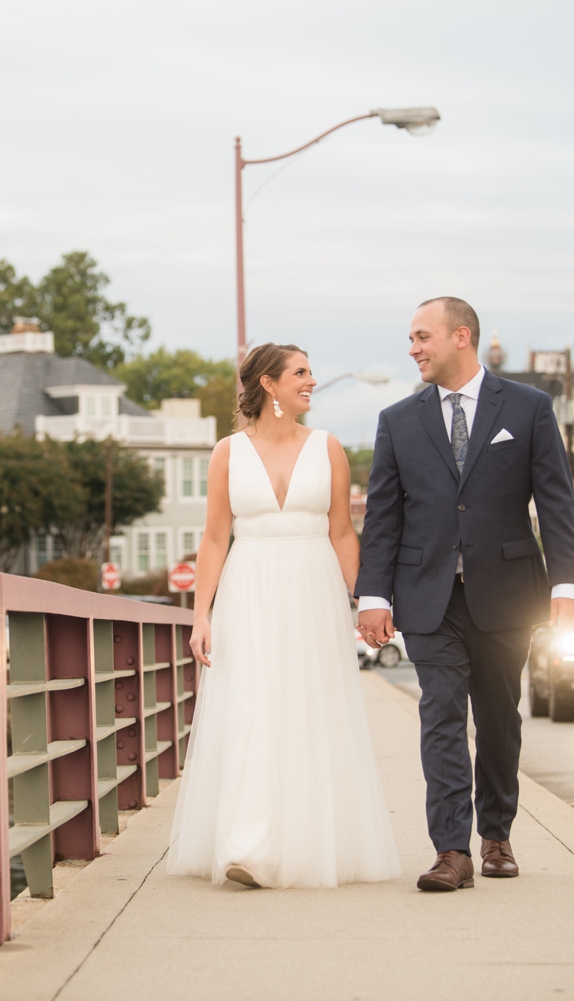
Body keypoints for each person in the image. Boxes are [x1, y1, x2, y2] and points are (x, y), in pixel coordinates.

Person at [357, 297, 574, 892]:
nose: (413, 348)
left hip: (507, 594)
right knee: (441, 715)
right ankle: (451, 849)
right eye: (410, 338)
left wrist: (567, 586)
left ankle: (497, 833)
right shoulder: (398, 420)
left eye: (421, 336)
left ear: (462, 337)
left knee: (499, 717)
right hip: (427, 595)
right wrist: (371, 595)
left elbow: (555, 502)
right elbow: (382, 517)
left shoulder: (529, 408)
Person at [168, 343, 400, 889]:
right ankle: (249, 846)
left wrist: (368, 602)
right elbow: (214, 537)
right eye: (300, 373)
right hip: (248, 588)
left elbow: (343, 533)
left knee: (308, 707)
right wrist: (201, 615)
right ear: (269, 384)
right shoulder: (227, 452)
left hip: (313, 589)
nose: (312, 381)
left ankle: (308, 841)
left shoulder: (329, 448)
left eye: (312, 372)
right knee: (251, 705)